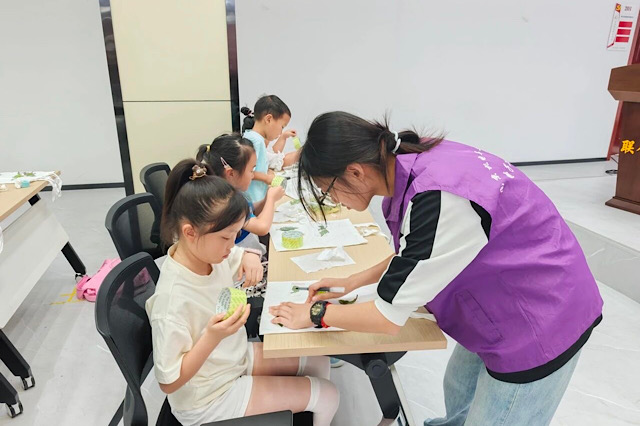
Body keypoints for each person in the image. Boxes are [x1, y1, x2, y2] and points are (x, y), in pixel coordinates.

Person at [269, 111, 603, 425]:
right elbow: (417, 252)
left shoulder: (438, 196)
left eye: (328, 190)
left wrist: (316, 314)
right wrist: (353, 281)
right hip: (515, 289)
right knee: (459, 389)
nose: (334, 200)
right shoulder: (411, 157)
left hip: (542, 315)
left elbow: (386, 318)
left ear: (356, 172)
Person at [146, 159, 339, 426]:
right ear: (190, 232)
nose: (231, 245)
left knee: (319, 362)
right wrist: (212, 336)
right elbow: (169, 383)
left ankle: (300, 413)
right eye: (226, 238)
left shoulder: (207, 253)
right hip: (208, 397)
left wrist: (250, 255)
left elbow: (237, 254)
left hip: (229, 359)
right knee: (327, 394)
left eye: (236, 234)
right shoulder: (172, 300)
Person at [241, 95, 299, 203]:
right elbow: (245, 171)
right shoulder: (255, 141)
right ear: (268, 119)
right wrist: (267, 178)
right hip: (253, 200)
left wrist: (268, 171)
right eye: (282, 126)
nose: (280, 132)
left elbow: (257, 166)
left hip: (257, 197)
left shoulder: (254, 138)